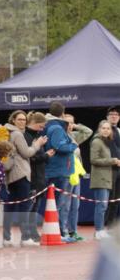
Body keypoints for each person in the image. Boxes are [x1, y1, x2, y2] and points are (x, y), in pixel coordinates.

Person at [3, 110, 48, 246]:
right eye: (19, 119)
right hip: (21, 174)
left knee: (10, 207)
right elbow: (27, 153)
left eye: (24, 120)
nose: (22, 122)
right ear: (13, 120)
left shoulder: (7, 132)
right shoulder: (17, 134)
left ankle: (6, 238)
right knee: (25, 206)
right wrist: (37, 144)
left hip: (11, 174)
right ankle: (25, 238)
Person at [44, 102, 78, 241]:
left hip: (57, 170)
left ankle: (57, 234)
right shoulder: (57, 127)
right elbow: (59, 146)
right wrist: (73, 145)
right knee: (57, 205)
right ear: (63, 113)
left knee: (56, 204)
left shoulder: (51, 126)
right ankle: (58, 234)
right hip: (58, 171)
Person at [63, 113, 92, 242]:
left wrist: (76, 126)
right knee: (65, 205)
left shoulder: (74, 136)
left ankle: (73, 231)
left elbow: (88, 131)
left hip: (76, 175)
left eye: (71, 123)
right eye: (66, 123)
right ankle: (63, 231)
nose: (69, 125)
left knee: (75, 205)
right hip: (65, 175)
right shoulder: (59, 136)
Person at [90, 120, 120, 239]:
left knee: (104, 206)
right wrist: (112, 161)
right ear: (99, 129)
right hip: (100, 178)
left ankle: (101, 229)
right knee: (101, 206)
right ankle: (98, 230)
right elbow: (94, 160)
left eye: (108, 128)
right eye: (104, 128)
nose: (106, 130)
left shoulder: (106, 142)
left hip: (106, 178)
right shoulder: (97, 141)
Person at [24, 111, 49, 240]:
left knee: (35, 207)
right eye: (41, 126)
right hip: (32, 177)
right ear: (34, 123)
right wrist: (45, 156)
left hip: (39, 177)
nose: (42, 129)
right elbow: (30, 158)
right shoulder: (26, 136)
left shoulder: (37, 137)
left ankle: (32, 232)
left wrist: (44, 154)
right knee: (29, 207)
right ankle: (27, 234)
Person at [104, 106, 120, 226]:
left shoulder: (119, 130)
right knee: (109, 199)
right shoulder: (104, 131)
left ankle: (111, 225)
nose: (114, 116)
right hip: (109, 169)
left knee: (116, 199)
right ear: (107, 117)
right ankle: (104, 226)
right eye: (111, 114)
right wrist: (113, 160)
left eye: (116, 114)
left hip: (119, 169)